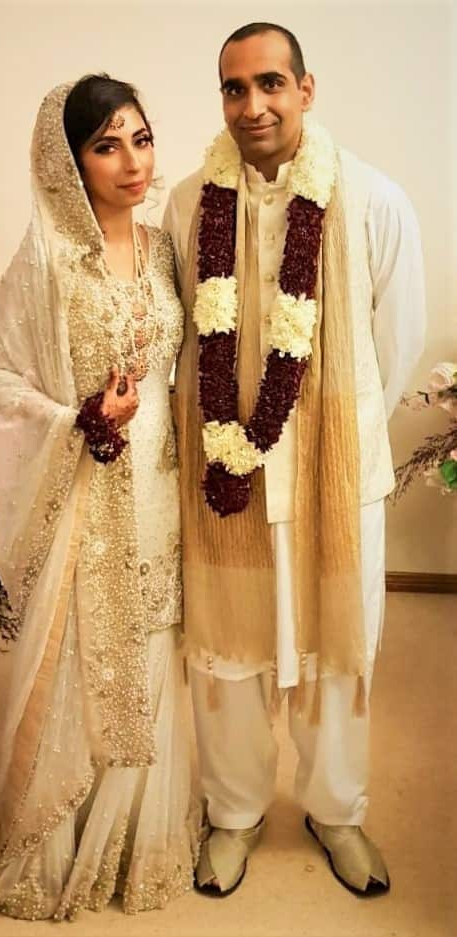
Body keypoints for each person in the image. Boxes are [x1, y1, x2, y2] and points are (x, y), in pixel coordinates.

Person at [163, 22, 425, 898]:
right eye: (234, 89)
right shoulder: (187, 204)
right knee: (228, 654)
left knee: (336, 651)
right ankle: (232, 812)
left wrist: (332, 446)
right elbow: (179, 339)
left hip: (332, 481)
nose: (253, 105)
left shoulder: (372, 199)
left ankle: (336, 808)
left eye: (270, 84)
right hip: (224, 480)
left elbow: (398, 340)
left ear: (306, 89)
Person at [0, 75, 197, 920]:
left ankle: (143, 833)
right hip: (88, 488)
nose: (132, 160)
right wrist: (76, 418)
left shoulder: (163, 243)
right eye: (106, 145)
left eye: (140, 137)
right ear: (69, 162)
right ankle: (63, 841)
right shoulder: (50, 258)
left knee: (153, 645)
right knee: (80, 659)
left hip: (160, 488)